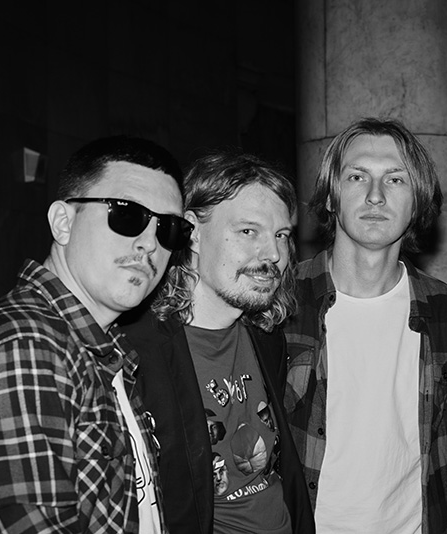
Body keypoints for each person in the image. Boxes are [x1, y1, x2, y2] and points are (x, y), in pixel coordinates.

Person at [0, 136, 190, 532]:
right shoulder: (24, 347)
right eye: (127, 215)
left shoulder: (104, 348)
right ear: (63, 223)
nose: (149, 244)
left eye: (168, 229)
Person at [283, 118, 447, 534]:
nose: (375, 195)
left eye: (395, 179)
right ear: (331, 196)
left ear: (417, 201)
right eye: (357, 177)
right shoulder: (282, 304)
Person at [120, 151, 314, 534]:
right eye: (248, 231)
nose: (274, 255)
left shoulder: (266, 337)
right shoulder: (138, 352)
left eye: (281, 235)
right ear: (192, 231)